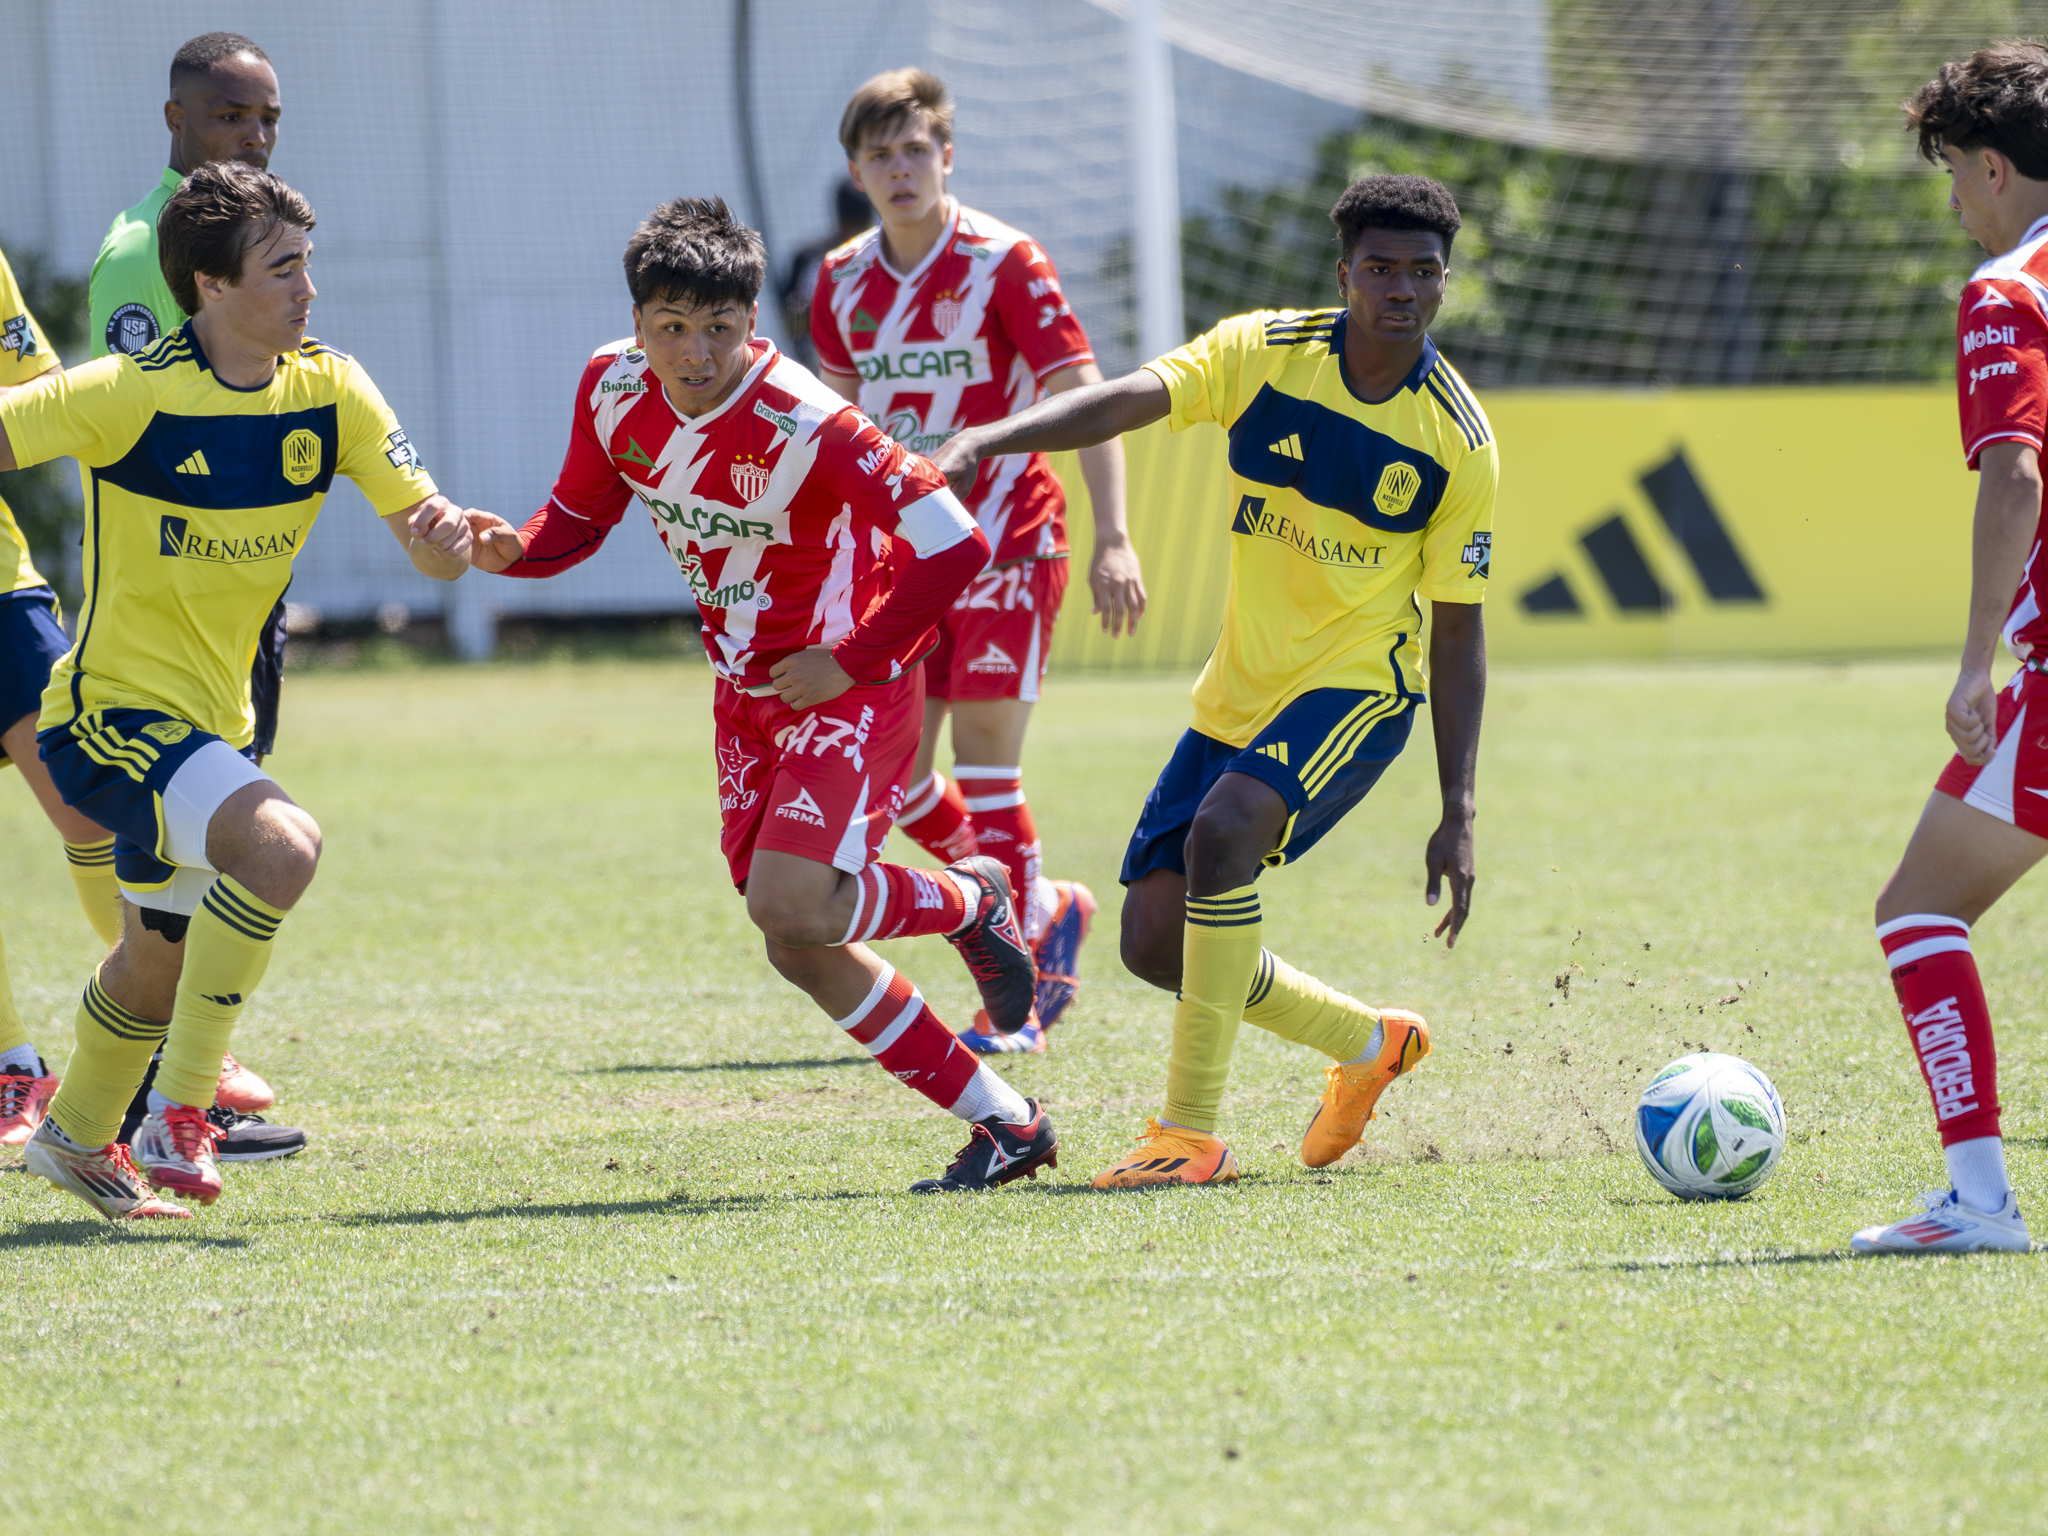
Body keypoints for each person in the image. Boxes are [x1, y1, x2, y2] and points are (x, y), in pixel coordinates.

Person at [465, 195, 1058, 1193]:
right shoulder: (610, 389)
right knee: (792, 937)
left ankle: (969, 901)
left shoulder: (805, 418)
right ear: (639, 321)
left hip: (848, 688)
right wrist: (509, 551)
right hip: (745, 692)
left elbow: (954, 541)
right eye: (670, 328)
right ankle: (1004, 1122)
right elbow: (575, 516)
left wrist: (860, 658)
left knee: (793, 900)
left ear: (752, 324)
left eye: (719, 328)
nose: (694, 352)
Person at [934, 174, 1495, 1188]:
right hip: (1240, 688)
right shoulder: (1261, 353)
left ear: (1443, 282)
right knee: (1153, 943)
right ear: (1344, 275)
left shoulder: (1457, 440)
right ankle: (1369, 1045)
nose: (1400, 289)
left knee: (1221, 835)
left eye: (1422, 272)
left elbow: (1458, 629)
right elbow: (1130, 398)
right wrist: (991, 436)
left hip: (1357, 688)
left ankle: (1185, 1137)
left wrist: (1456, 806)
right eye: (1379, 268)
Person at [1, 161, 475, 1219]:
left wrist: (447, 539)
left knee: (151, 966)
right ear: (210, 287)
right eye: (284, 268)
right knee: (283, 845)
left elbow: (430, 546)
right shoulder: (133, 393)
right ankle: (180, 1110)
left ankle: (76, 1139)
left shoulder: (332, 390)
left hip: (214, 726)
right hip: (108, 719)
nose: (308, 289)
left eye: (309, 263)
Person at [812, 68, 1148, 1053]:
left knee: (986, 769)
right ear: (856, 172)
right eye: (880, 154)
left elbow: (1089, 400)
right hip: (902, 561)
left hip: (1007, 544)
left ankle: (1024, 995)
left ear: (946, 155)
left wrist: (1114, 536)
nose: (899, 168)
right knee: (899, 784)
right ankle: (1040, 907)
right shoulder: (838, 282)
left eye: (915, 148)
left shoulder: (1006, 262)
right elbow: (833, 433)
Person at [1853, 42, 2048, 1256]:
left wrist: (1973, 662)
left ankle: (1978, 1201)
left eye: (1952, 178)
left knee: (1915, 912)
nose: (1951, 204)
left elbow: (2015, 473)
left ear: (1990, 169)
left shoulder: (2006, 294)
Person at [90, 30, 294, 1125]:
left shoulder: (264, 241)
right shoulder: (140, 255)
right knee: (193, 867)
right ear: (175, 122)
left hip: (234, 607)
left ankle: (153, 1098)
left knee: (193, 870)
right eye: (230, 117)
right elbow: (128, 426)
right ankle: (156, 1104)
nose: (254, 137)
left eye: (267, 118)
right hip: (166, 617)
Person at [0, 249, 126, 1148]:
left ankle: (152, 1043)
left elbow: (40, 393)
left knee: (85, 800)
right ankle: (13, 1066)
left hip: (0, 591)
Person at [777, 178, 871, 369]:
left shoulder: (811, 257)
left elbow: (792, 321)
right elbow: (793, 321)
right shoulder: (813, 258)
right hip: (823, 359)